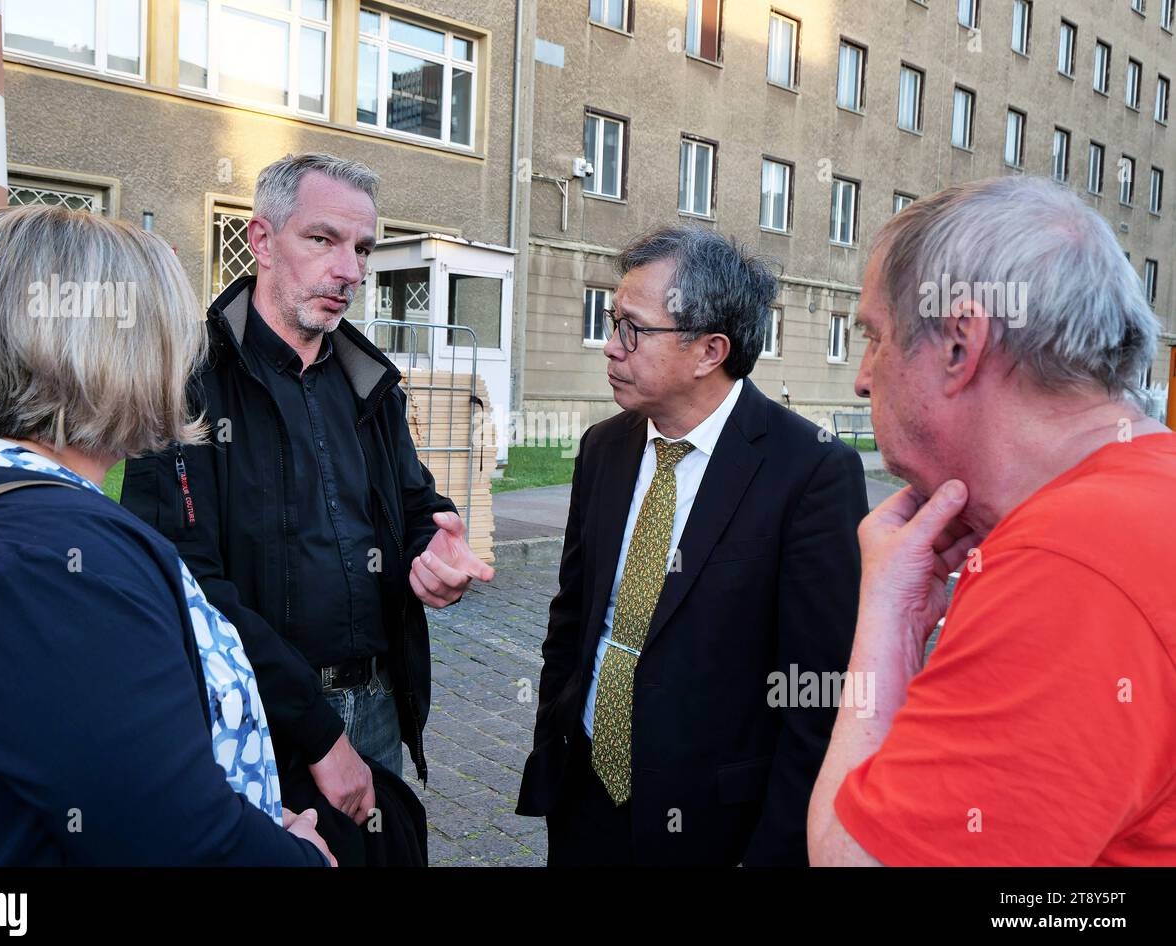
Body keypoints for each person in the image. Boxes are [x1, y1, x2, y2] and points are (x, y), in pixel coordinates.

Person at [0, 205, 333, 865]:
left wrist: (243, 812)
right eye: (173, 341)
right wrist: (303, 858)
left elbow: (117, 784)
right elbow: (184, 850)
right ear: (119, 354)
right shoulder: (53, 565)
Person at [808, 176, 1176, 866]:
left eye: (875, 337)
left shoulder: (1070, 562)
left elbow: (853, 859)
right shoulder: (1146, 491)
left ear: (959, 344)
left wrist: (890, 611)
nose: (862, 377)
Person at [122, 153, 492, 828]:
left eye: (362, 249)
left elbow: (413, 504)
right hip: (248, 716)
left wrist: (432, 555)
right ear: (262, 240)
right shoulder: (185, 380)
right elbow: (183, 581)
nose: (349, 270)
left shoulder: (367, 379)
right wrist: (318, 731)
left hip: (379, 704)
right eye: (322, 239)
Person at [516, 225, 867, 865]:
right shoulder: (603, 448)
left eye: (632, 328)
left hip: (713, 826)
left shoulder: (812, 473)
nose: (609, 347)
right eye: (611, 321)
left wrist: (775, 852)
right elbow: (572, 618)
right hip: (586, 796)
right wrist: (556, 744)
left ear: (709, 351)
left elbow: (817, 696)